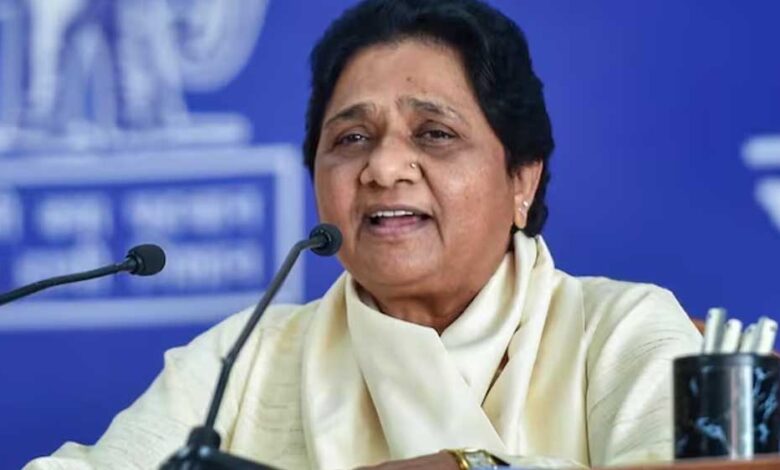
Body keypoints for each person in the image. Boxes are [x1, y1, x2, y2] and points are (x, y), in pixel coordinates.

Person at [25, 0, 701, 468]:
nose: (382, 168)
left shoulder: (620, 330)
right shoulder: (246, 357)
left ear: (521, 178)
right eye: (351, 139)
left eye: (433, 133)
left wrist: (466, 468)